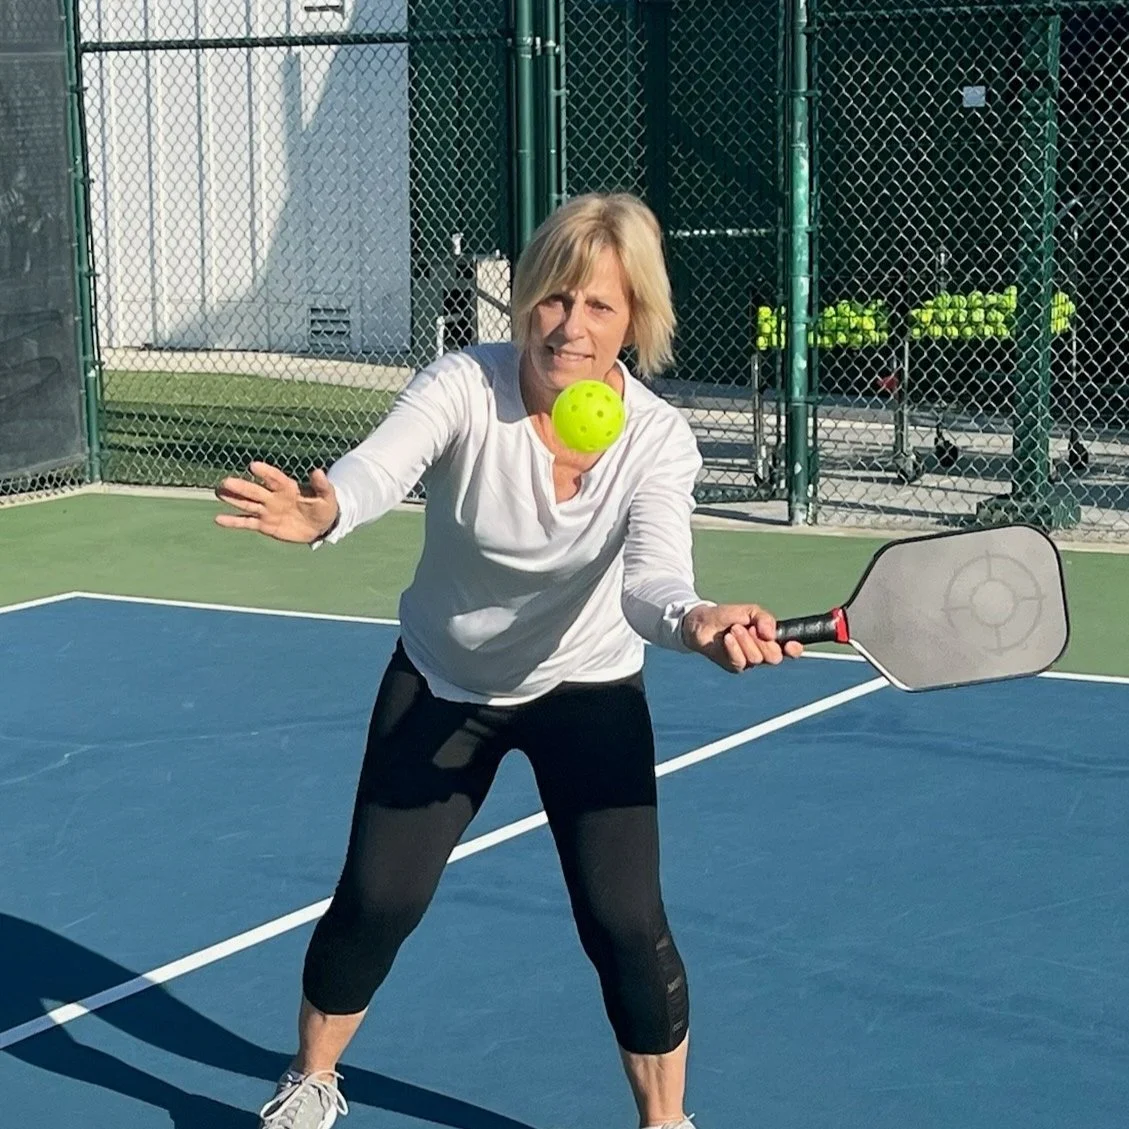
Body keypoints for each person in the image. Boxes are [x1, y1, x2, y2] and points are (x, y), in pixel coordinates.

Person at [214, 192, 803, 1129]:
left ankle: (665, 1122)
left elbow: (652, 580)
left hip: (588, 687)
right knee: (378, 898)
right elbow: (380, 466)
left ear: (633, 322)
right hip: (444, 681)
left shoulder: (656, 438)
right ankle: (312, 1078)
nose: (569, 325)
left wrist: (695, 621)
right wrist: (331, 512)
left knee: (625, 921)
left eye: (599, 305)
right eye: (554, 297)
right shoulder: (463, 384)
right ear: (527, 298)